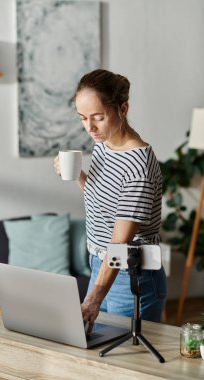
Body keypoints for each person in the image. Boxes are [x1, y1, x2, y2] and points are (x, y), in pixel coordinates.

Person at [54, 69, 166, 334]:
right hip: (101, 267)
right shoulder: (104, 144)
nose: (90, 127)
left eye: (98, 118)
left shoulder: (138, 165)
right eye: (83, 118)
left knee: (129, 368)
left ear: (123, 108)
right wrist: (77, 176)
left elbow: (119, 244)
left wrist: (94, 297)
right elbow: (104, 202)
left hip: (130, 278)